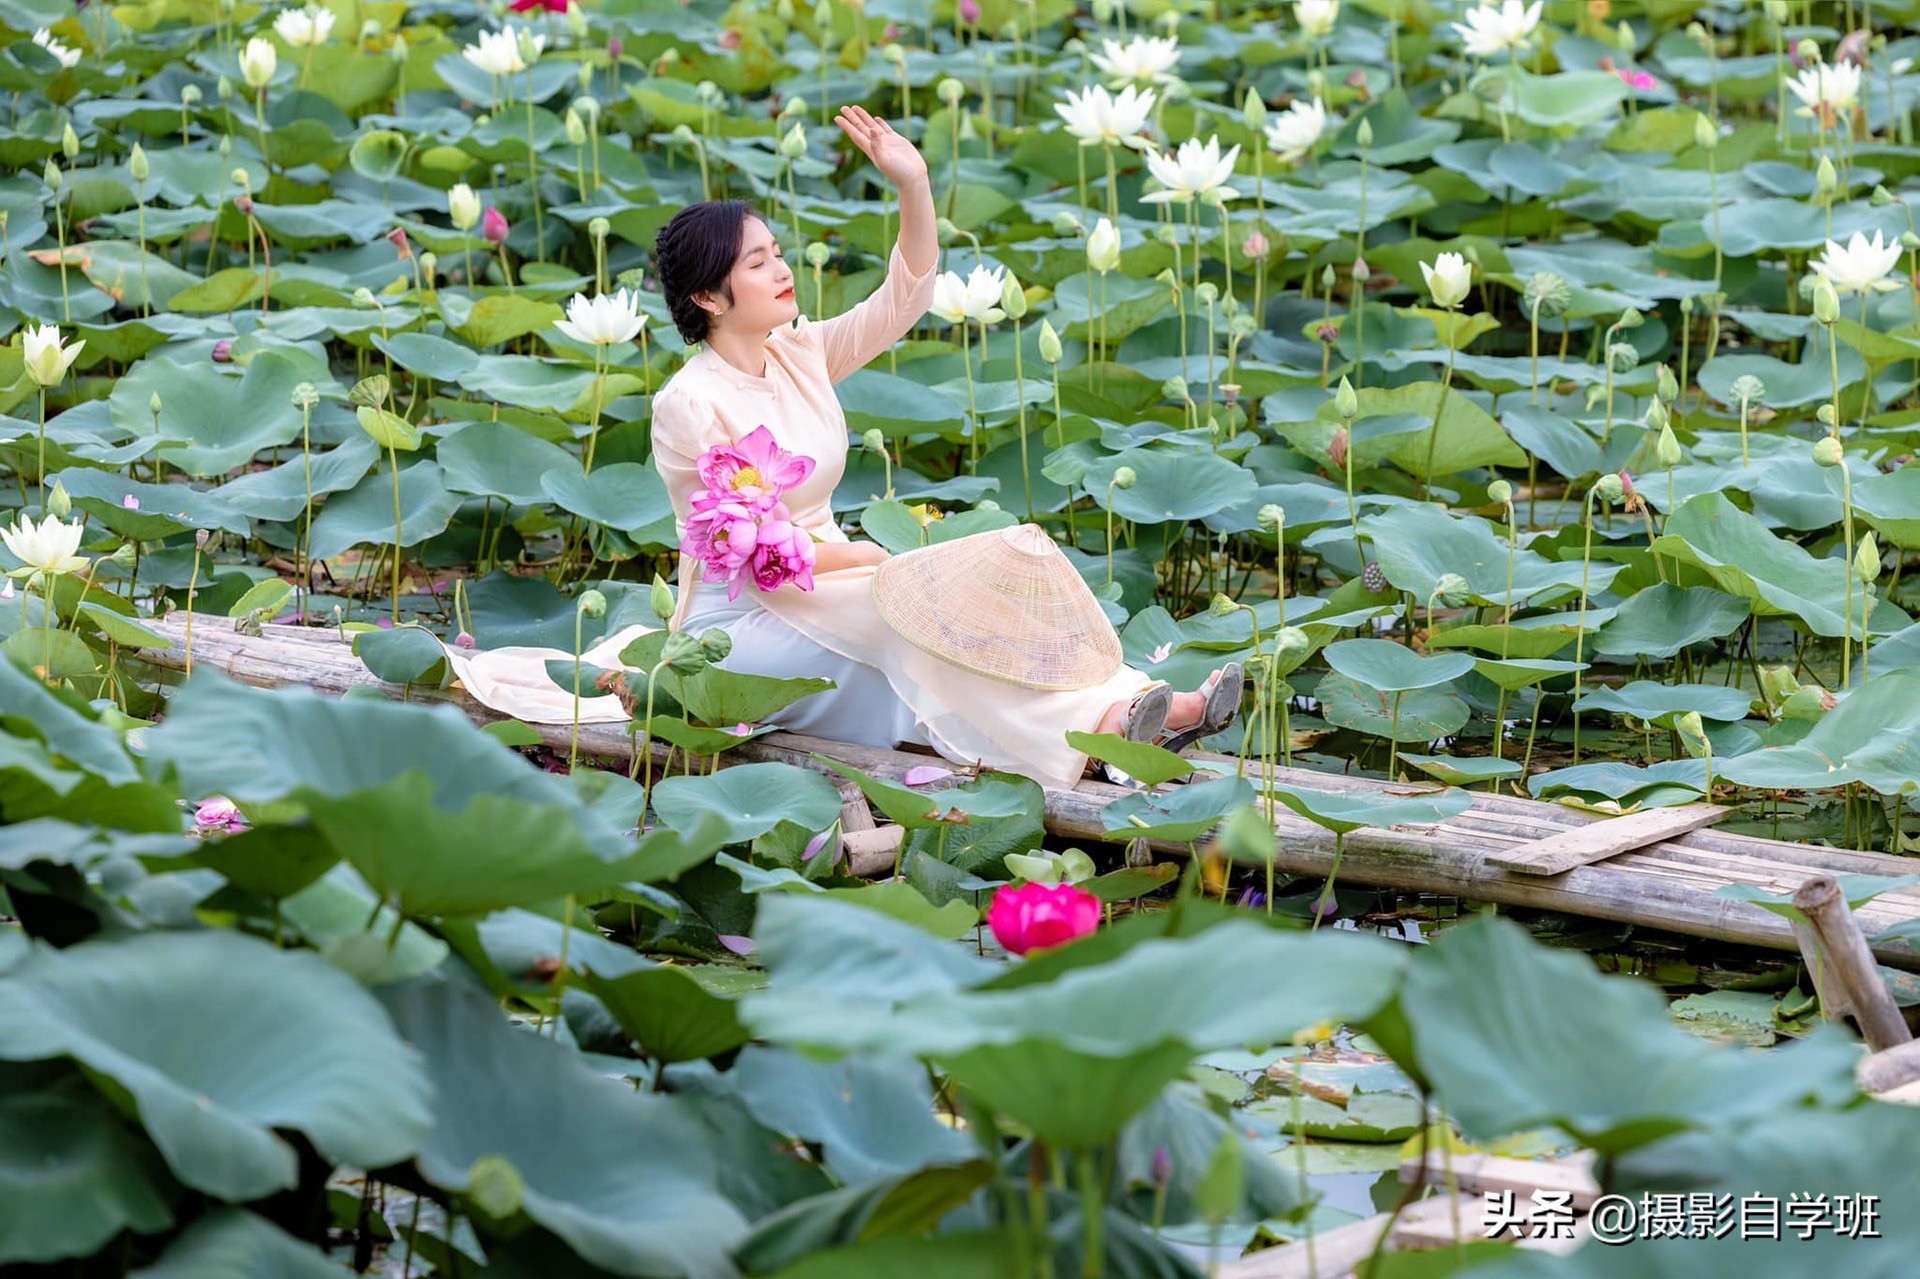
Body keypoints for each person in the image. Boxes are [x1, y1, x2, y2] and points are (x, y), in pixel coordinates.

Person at [645, 106, 1239, 790]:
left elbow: (903, 299)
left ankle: (1139, 701)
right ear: (707, 296)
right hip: (741, 627)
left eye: (777, 251)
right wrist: (869, 558)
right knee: (916, 616)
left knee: (979, 593)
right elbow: (748, 554)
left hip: (838, 590)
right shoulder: (688, 403)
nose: (781, 268)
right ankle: (1101, 732)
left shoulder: (799, 352)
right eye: (758, 261)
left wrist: (913, 185)